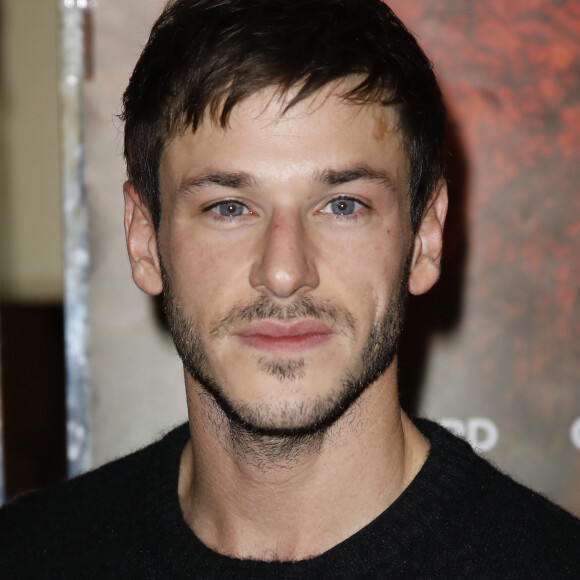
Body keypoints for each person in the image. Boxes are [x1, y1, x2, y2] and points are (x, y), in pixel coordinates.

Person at [1, 0, 579, 577]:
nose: (283, 271)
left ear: (425, 236)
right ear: (144, 239)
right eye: (229, 207)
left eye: (343, 205)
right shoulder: (29, 555)